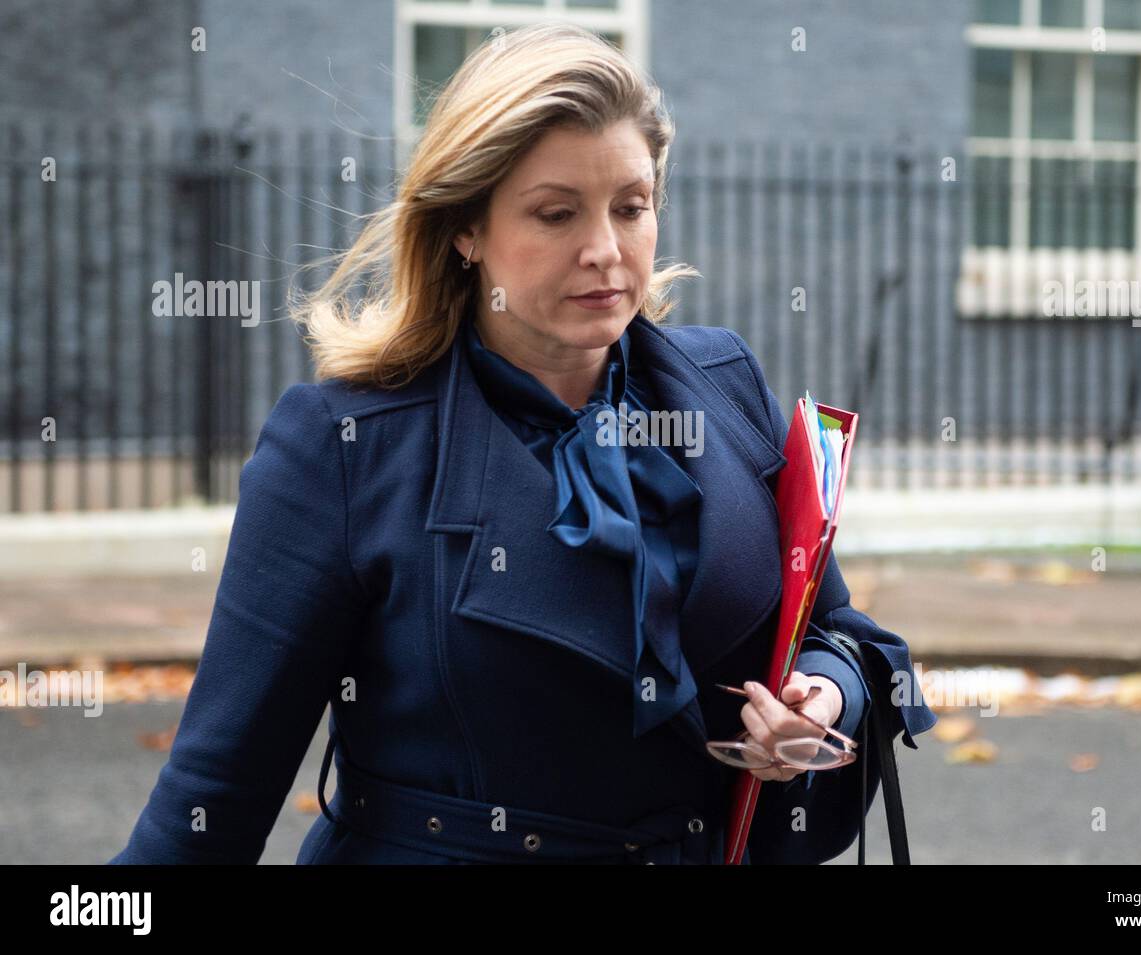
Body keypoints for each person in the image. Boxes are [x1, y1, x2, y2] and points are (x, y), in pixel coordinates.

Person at [109, 22, 935, 866]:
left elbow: (838, 630)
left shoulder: (722, 385)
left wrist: (822, 697)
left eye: (632, 206)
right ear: (465, 227)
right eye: (555, 213)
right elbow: (214, 795)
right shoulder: (343, 446)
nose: (605, 251)